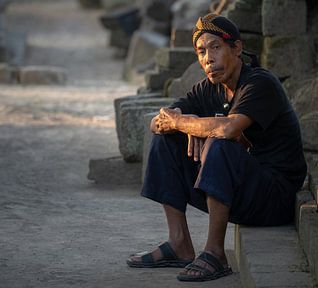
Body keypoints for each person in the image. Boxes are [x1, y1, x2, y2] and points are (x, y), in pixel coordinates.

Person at [126, 13, 307, 282]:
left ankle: (215, 253)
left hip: (275, 196)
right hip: (239, 189)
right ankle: (179, 244)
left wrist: (191, 124)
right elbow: (159, 121)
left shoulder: (260, 83)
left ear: (236, 48)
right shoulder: (209, 88)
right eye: (201, 51)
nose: (208, 58)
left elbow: (228, 129)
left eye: (215, 47)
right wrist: (185, 124)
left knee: (219, 143)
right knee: (166, 140)